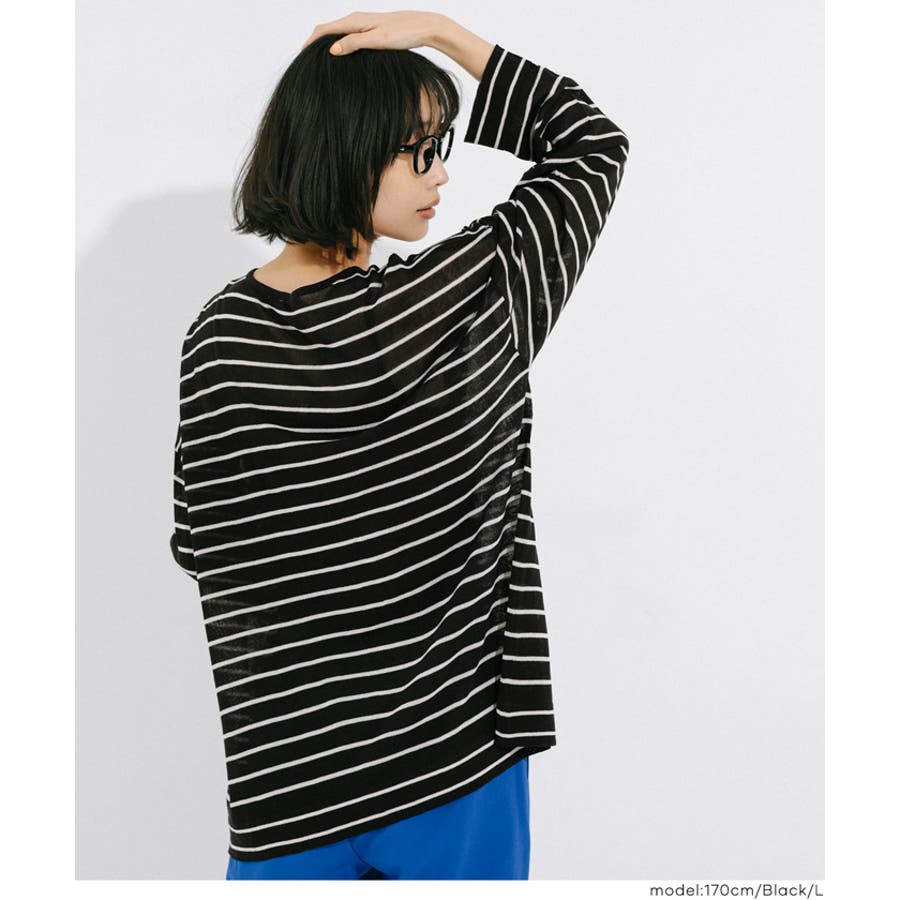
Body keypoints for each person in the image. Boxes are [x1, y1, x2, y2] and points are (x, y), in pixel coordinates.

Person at [171, 8, 629, 880]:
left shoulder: (220, 339)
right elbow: (590, 144)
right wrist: (444, 35)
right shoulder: (465, 299)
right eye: (418, 151)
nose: (442, 172)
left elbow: (200, 543)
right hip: (454, 759)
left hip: (287, 783)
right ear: (349, 149)